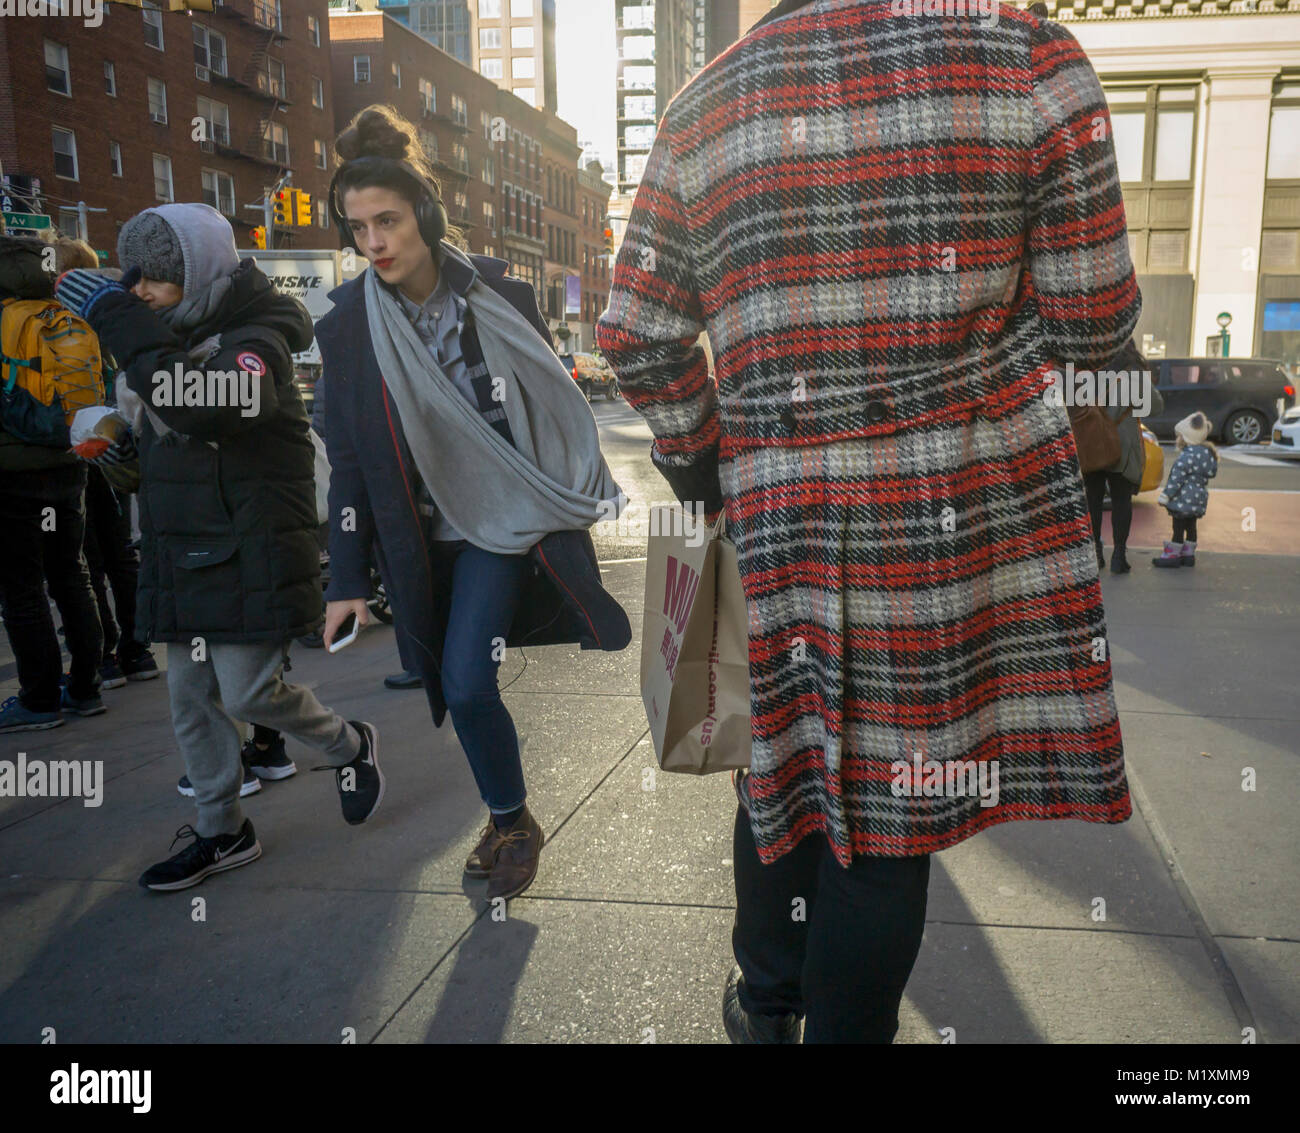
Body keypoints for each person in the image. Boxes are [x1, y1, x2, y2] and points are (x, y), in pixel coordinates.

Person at [597, 0, 1142, 1043]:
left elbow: (638, 332)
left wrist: (701, 454)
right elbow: (1094, 316)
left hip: (778, 509)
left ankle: (764, 1006)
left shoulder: (702, 103)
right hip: (945, 509)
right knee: (892, 809)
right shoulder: (1027, 55)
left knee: (780, 766)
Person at [317, 105, 630, 902]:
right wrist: (345, 579)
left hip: (499, 521)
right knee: (445, 677)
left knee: (464, 681)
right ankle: (508, 813)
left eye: (387, 220)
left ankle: (511, 820)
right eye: (358, 229)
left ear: (423, 213)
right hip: (417, 534)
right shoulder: (349, 326)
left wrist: (560, 480)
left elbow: (549, 399)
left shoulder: (499, 290)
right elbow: (350, 458)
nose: (374, 242)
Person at [54, 202, 382, 891]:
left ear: (197, 271)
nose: (138, 288)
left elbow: (201, 401)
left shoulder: (257, 340)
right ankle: (221, 829)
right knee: (191, 700)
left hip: (252, 548)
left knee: (251, 690)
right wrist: (118, 454)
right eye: (131, 276)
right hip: (183, 552)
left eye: (154, 276)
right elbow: (165, 448)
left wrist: (116, 315)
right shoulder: (161, 343)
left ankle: (349, 743)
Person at [0, 234, 105, 733]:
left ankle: (40, 699)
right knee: (71, 574)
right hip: (70, 463)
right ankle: (86, 687)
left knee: (22, 589)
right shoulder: (63, 315)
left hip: (12, 477)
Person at [52, 237, 159, 688]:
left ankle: (105, 655)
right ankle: (139, 650)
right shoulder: (116, 310)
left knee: (87, 556)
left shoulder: (56, 319)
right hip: (116, 436)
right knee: (121, 551)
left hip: (75, 447)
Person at [1080, 339, 1165, 575]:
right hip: (1123, 443)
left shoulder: (1088, 367)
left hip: (1093, 441)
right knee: (1121, 500)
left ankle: (1095, 553)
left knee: (1093, 500)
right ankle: (1119, 556)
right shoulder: (1133, 373)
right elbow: (1156, 407)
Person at [1153, 412, 1217, 568]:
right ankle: (1189, 556)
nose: (1178, 439)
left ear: (1187, 438)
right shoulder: (1207, 455)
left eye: (1180, 436)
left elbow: (1176, 480)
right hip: (1199, 499)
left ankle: (1172, 556)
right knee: (1191, 527)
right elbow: (1212, 473)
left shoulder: (1186, 457)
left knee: (1178, 528)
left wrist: (1166, 496)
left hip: (1182, 499)